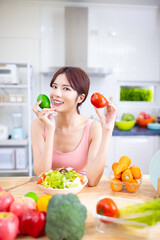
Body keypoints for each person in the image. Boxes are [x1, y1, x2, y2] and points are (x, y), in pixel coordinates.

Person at [31, 66, 117, 187]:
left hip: (82, 194)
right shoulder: (38, 125)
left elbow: (92, 181)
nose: (56, 93)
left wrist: (107, 131)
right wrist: (50, 129)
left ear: (80, 98)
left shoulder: (93, 128)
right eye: (54, 87)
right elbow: (41, 174)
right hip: (49, 194)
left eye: (66, 88)